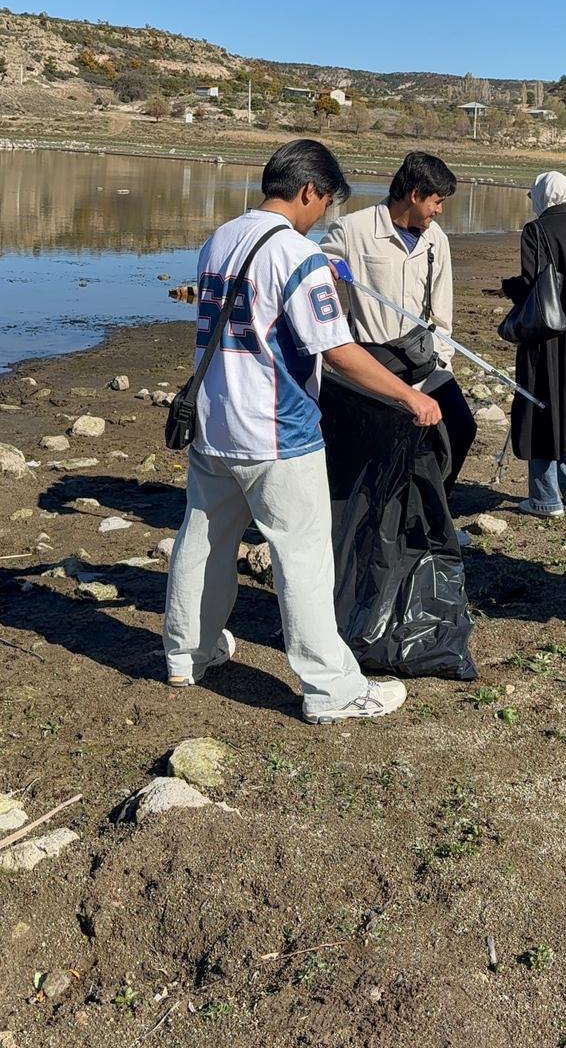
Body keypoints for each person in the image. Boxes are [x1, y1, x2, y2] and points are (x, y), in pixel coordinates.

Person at [162, 139, 442, 724]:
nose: (325, 215)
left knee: (204, 542)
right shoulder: (297, 255)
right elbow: (337, 350)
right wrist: (408, 395)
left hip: (214, 424)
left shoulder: (220, 238)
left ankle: (186, 653)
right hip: (277, 434)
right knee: (305, 558)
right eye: (326, 203)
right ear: (310, 191)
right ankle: (331, 688)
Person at [319, 151, 476, 494]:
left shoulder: (438, 240)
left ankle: (431, 513)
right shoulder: (351, 229)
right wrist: (324, 269)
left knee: (460, 429)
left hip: (425, 363)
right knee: (379, 451)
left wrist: (441, 359)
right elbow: (315, 274)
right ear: (414, 195)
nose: (439, 210)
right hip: (374, 363)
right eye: (436, 201)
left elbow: (442, 313)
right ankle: (377, 525)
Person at [502, 171, 566, 516]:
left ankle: (545, 498)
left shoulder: (537, 231)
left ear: (543, 196)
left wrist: (508, 289)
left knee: (540, 407)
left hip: (545, 339)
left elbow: (534, 285)